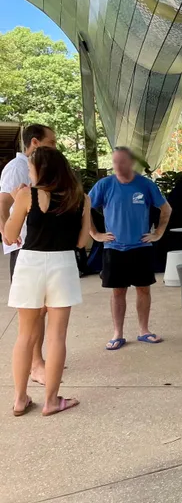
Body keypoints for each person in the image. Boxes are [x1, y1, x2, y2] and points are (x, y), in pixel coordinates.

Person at [5, 147, 90, 416]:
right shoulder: (79, 198)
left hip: (30, 263)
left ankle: (20, 399)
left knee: (25, 336)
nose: (29, 172)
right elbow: (81, 242)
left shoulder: (26, 195)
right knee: (56, 337)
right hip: (63, 264)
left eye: (31, 168)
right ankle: (52, 401)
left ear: (40, 170)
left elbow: (9, 236)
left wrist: (15, 203)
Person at [89, 147, 172, 350]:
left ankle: (144, 330)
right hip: (114, 247)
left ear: (131, 163)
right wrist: (95, 234)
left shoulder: (145, 185)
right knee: (118, 291)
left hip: (140, 246)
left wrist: (158, 233)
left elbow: (166, 209)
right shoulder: (105, 185)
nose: (118, 166)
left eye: (122, 162)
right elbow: (85, 207)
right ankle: (118, 333)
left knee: (143, 289)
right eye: (115, 162)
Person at [0, 123, 57, 386]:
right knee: (32, 311)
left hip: (39, 245)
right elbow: (3, 203)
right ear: (35, 142)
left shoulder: (41, 166)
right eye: (51, 142)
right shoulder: (17, 167)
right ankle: (35, 364)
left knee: (42, 309)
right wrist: (7, 234)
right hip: (24, 247)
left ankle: (38, 360)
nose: (54, 147)